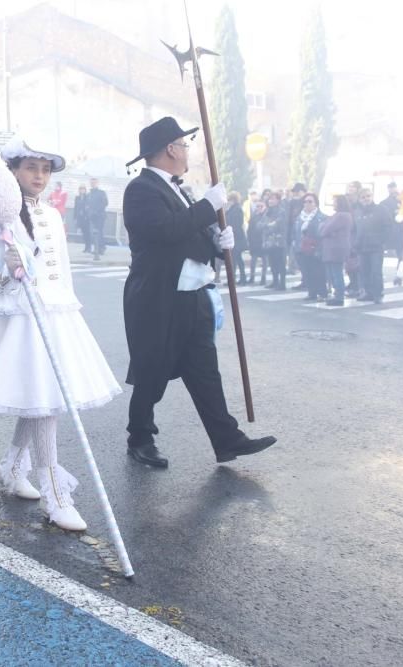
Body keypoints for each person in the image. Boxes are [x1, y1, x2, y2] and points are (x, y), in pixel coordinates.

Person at [0, 137, 121, 531]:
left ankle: (13, 466)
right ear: (14, 171)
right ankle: (54, 494)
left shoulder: (52, 215)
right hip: (24, 314)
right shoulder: (4, 216)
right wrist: (9, 265)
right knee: (45, 401)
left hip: (55, 312)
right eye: (31, 168)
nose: (39, 176)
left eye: (45, 170)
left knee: (41, 397)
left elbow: (62, 271)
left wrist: (69, 308)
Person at [121, 116, 275, 469]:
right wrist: (207, 206)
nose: (188, 150)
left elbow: (190, 233)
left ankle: (226, 439)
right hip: (158, 300)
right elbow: (167, 231)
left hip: (194, 296)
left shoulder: (180, 188)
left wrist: (219, 244)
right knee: (152, 371)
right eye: (184, 145)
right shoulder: (141, 190)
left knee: (205, 371)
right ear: (171, 149)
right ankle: (140, 437)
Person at [353, 188, 389, 303]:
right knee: (364, 271)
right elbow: (355, 229)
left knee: (376, 271)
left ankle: (378, 294)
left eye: (368, 196)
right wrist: (355, 242)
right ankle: (368, 292)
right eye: (363, 197)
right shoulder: (357, 212)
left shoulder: (381, 209)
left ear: (372, 196)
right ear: (359, 199)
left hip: (375, 246)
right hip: (362, 246)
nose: (366, 199)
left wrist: (381, 241)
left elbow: (388, 226)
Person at [320, 195, 353, 306]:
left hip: (336, 248)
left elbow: (326, 229)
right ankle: (337, 294)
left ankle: (339, 296)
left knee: (336, 272)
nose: (333, 204)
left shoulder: (342, 216)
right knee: (333, 272)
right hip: (333, 247)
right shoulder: (338, 215)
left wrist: (326, 230)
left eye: (335, 202)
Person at [296, 192, 328, 301]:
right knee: (306, 271)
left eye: (310, 201)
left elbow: (322, 234)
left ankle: (323, 292)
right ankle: (311, 292)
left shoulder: (321, 217)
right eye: (305, 202)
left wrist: (319, 248)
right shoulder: (299, 217)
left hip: (315, 249)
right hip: (301, 248)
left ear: (315, 203)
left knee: (318, 272)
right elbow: (294, 232)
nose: (307, 204)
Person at [260, 191, 289, 290]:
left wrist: (268, 225)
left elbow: (278, 224)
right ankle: (275, 281)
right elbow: (260, 224)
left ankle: (282, 283)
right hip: (269, 241)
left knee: (280, 262)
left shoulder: (281, 211)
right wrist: (267, 225)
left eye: (273, 199)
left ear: (278, 200)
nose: (270, 201)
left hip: (278, 241)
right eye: (269, 199)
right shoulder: (267, 211)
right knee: (272, 262)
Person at [246, 199, 267, 284]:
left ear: (264, 207)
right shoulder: (253, 216)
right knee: (253, 260)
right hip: (255, 242)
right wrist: (249, 240)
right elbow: (249, 230)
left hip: (263, 241)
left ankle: (263, 277)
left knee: (265, 261)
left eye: (261, 206)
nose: (259, 208)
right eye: (257, 206)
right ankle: (252, 276)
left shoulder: (266, 216)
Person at [87, 177, 108, 260]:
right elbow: (88, 204)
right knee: (94, 233)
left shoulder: (101, 193)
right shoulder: (89, 194)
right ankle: (98, 248)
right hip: (92, 216)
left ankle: (101, 248)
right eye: (92, 183)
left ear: (97, 183)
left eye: (94, 183)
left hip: (100, 215)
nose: (93, 184)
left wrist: (97, 210)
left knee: (99, 232)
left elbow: (105, 203)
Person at [74, 185, 91, 253]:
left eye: (83, 189)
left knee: (87, 233)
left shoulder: (87, 197)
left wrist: (87, 214)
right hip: (80, 218)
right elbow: (75, 207)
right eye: (80, 189)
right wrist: (75, 217)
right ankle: (86, 247)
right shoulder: (77, 198)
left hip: (86, 218)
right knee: (84, 233)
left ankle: (88, 247)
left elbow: (89, 206)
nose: (81, 191)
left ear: (85, 190)